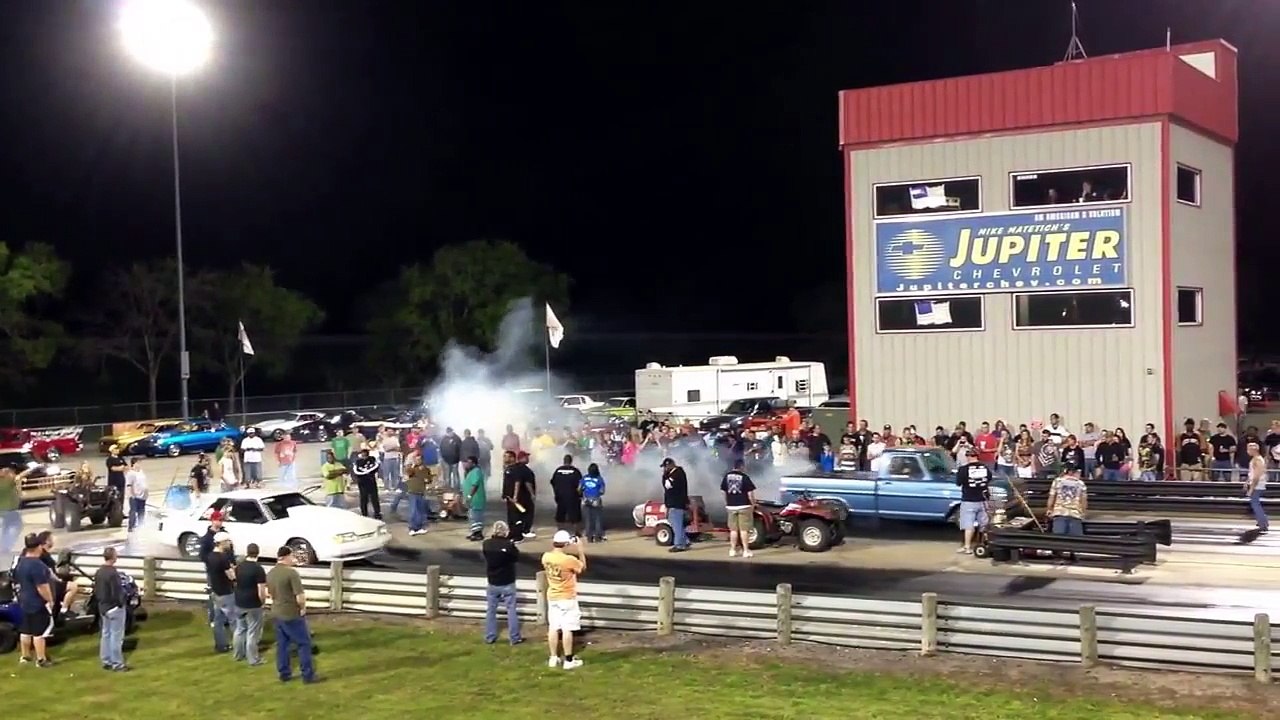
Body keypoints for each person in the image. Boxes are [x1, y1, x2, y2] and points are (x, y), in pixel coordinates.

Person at [266, 545, 316, 683]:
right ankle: (308, 675)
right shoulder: (291, 573)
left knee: (282, 645)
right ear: (287, 556)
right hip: (291, 613)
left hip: (276, 612)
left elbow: (269, 593)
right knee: (304, 644)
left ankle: (284, 673)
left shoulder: (271, 573)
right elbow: (299, 595)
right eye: (292, 556)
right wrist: (302, 608)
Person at [541, 529, 586, 669]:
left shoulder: (546, 557)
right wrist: (580, 550)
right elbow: (582, 567)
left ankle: (553, 657)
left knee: (553, 627)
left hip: (553, 595)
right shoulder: (568, 560)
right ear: (566, 544)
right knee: (567, 628)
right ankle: (568, 660)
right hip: (567, 596)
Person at [14, 533, 55, 666]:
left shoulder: (21, 561)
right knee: (39, 632)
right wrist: (50, 600)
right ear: (38, 547)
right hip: (36, 603)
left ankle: (25, 656)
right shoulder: (37, 565)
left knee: (26, 630)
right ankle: (41, 659)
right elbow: (41, 587)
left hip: (24, 600)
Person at [481, 521, 522, 645]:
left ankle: (490, 636)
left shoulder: (486, 544)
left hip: (493, 581)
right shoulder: (508, 545)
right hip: (507, 581)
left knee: (491, 610)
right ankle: (514, 637)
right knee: (511, 610)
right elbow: (516, 557)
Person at [93, 547, 129, 671]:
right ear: (113, 557)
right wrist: (121, 603)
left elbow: (96, 590)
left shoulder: (99, 572)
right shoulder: (113, 573)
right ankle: (117, 664)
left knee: (106, 634)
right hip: (114, 608)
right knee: (116, 637)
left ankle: (106, 660)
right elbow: (117, 592)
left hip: (103, 607)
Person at [233, 542, 268, 666]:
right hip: (253, 603)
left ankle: (238, 654)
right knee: (253, 632)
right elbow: (261, 590)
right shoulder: (258, 569)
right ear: (258, 553)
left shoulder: (239, 567)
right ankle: (253, 659)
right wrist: (262, 602)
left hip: (239, 601)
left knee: (240, 629)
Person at [205, 531, 238, 653]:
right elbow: (231, 576)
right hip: (226, 592)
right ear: (222, 543)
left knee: (218, 621)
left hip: (216, 592)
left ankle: (221, 645)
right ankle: (239, 645)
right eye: (228, 541)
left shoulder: (210, 556)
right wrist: (234, 569)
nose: (230, 544)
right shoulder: (223, 558)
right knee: (234, 620)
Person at [955, 456, 992, 555]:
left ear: (967, 457)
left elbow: (958, 483)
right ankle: (985, 544)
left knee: (968, 525)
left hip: (968, 500)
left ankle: (967, 547)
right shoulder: (984, 467)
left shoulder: (963, 469)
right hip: (983, 500)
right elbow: (989, 479)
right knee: (984, 524)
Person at [660, 457, 691, 552]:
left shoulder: (677, 474)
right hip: (674, 503)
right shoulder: (676, 473)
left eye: (665, 467)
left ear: (669, 465)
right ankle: (684, 540)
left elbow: (667, 485)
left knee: (677, 524)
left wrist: (665, 476)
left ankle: (679, 545)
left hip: (676, 503)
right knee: (674, 522)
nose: (664, 469)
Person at [1047, 469, 1088, 536]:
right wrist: (1083, 512)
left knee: (1058, 539)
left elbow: (1052, 497)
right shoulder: (1081, 483)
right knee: (1076, 541)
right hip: (1075, 514)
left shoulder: (1057, 481)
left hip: (1059, 513)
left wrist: (1049, 509)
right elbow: (1084, 501)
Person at [506, 451, 537, 541]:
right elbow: (525, 483)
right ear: (521, 458)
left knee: (513, 516)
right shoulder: (524, 469)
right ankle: (522, 532)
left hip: (512, 498)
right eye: (526, 457)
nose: (528, 459)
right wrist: (532, 494)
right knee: (524, 515)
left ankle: (513, 533)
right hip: (523, 498)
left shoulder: (512, 468)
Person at [550, 454, 583, 534]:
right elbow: (581, 483)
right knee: (575, 515)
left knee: (560, 514)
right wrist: (580, 494)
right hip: (572, 496)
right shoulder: (575, 471)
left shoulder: (558, 470)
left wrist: (556, 491)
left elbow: (552, 482)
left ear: (564, 461)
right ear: (571, 461)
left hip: (560, 496)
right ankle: (576, 532)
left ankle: (560, 531)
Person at [0, 467, 23, 569]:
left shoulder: (5, 482)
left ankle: (4, 547)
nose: (12, 474)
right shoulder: (6, 482)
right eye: (10, 473)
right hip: (8, 511)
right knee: (16, 526)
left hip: (6, 511)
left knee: (6, 529)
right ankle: (4, 548)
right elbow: (18, 477)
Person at [1245, 442, 1270, 533]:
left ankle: (1263, 523)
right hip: (1255, 484)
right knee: (1255, 503)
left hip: (1257, 485)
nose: (1247, 451)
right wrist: (1247, 482)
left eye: (1248, 449)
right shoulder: (1255, 459)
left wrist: (1251, 488)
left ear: (1253, 450)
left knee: (1255, 504)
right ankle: (1262, 521)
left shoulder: (1258, 460)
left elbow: (1257, 476)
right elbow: (1252, 473)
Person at [351, 447, 382, 520]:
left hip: (371, 481)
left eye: (365, 454)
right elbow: (356, 471)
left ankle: (377, 513)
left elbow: (376, 467)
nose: (364, 455)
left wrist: (368, 472)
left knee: (374, 498)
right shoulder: (358, 462)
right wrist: (364, 473)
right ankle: (364, 514)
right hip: (362, 483)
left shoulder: (372, 459)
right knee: (363, 499)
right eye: (363, 454)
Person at [461, 455, 486, 542]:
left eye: (469, 462)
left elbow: (475, 485)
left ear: (473, 463)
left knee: (476, 516)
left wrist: (469, 496)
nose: (466, 464)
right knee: (472, 516)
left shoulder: (476, 471)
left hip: (476, 499)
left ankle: (478, 534)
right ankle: (474, 532)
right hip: (472, 500)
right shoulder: (470, 472)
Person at [580, 463, 606, 543]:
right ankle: (598, 537)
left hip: (586, 499)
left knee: (588, 519)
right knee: (597, 519)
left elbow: (579, 488)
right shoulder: (599, 479)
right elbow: (602, 491)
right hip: (596, 500)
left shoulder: (584, 478)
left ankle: (589, 537)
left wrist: (584, 494)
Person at [125, 457, 148, 532]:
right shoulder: (131, 473)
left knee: (141, 511)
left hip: (142, 495)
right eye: (137, 463)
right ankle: (131, 526)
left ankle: (141, 525)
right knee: (133, 511)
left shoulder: (141, 472)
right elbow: (129, 485)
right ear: (133, 464)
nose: (139, 465)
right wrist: (132, 494)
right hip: (134, 496)